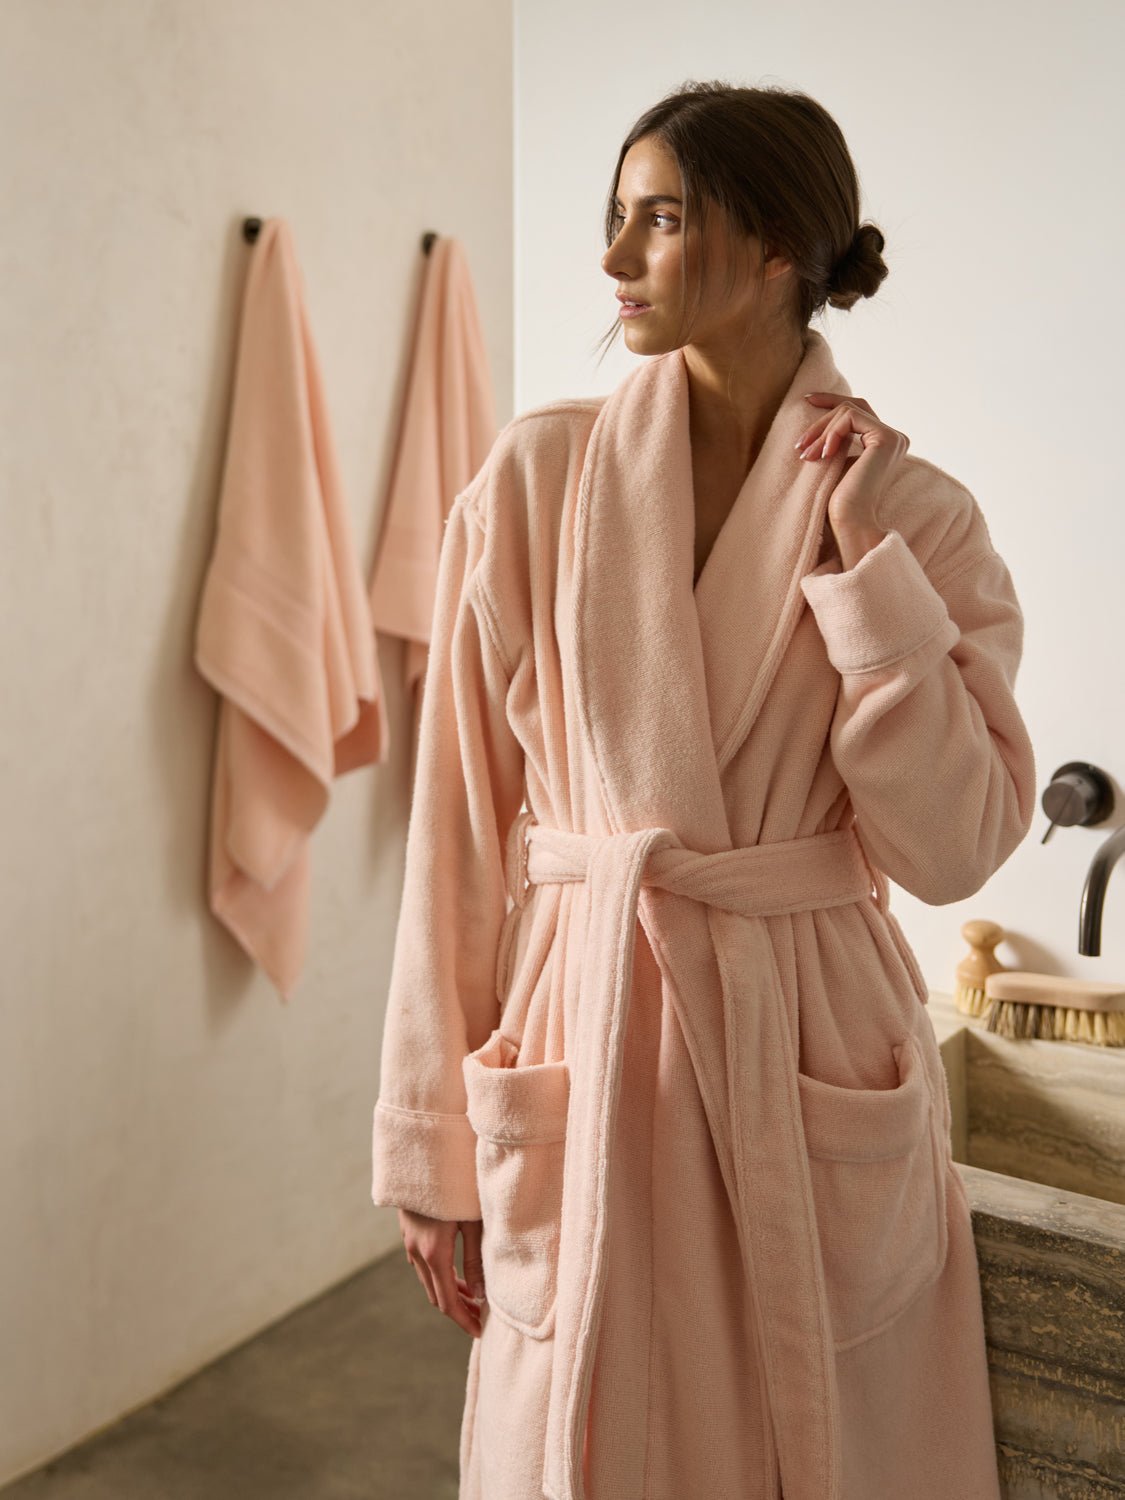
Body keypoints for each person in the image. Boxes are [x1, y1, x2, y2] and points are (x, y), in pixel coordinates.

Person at [372, 79, 1035, 1500]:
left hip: (805, 1038)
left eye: (659, 221)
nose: (613, 260)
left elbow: (957, 846)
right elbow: (455, 834)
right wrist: (431, 1143)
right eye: (614, 219)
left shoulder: (912, 517)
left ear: (782, 243)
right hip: (586, 1023)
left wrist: (867, 587)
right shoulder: (531, 483)